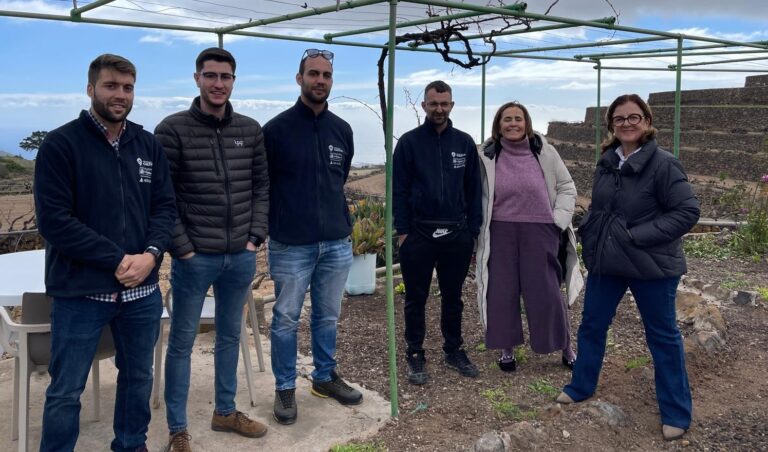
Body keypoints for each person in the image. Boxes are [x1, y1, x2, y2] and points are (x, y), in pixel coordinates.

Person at [34, 54, 176, 452]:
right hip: (80, 294)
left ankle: (131, 446)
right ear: (91, 88)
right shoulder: (61, 145)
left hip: (141, 294)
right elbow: (56, 222)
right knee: (66, 390)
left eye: (127, 87)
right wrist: (116, 259)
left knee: (138, 379)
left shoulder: (147, 144)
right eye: (111, 86)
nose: (120, 95)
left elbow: (165, 208)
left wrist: (150, 254)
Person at [556, 94, 700, 442]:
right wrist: (591, 228)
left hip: (651, 264)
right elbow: (604, 208)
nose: (627, 123)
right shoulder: (607, 162)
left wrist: (636, 235)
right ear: (611, 126)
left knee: (662, 336)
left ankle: (676, 412)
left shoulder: (665, 164)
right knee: (592, 325)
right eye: (619, 119)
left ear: (647, 122)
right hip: (609, 262)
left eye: (634, 117)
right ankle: (581, 386)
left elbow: (686, 212)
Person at [154, 47, 269, 450]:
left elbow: (261, 188)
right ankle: (178, 429)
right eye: (211, 76)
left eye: (226, 77)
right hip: (193, 258)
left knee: (229, 337)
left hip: (240, 255)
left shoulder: (250, 130)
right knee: (182, 342)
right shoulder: (172, 129)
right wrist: (182, 249)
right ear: (197, 78)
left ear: (234, 81)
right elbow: (161, 197)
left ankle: (225, 412)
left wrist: (255, 237)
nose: (218, 84)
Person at [263, 48, 362, 426]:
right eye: (313, 73)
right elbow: (263, 185)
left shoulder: (342, 130)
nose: (320, 80)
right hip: (291, 243)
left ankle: (324, 377)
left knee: (328, 317)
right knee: (286, 317)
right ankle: (285, 386)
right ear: (299, 78)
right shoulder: (276, 130)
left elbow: (339, 178)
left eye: (326, 75)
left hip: (337, 241)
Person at [475, 101, 582, 372]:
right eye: (507, 119)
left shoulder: (546, 153)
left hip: (540, 230)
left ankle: (565, 346)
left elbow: (567, 186)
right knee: (502, 291)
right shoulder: (486, 155)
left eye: (518, 119)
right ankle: (507, 349)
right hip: (500, 231)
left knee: (546, 291)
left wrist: (557, 220)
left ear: (527, 123)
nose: (513, 123)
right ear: (498, 125)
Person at [393, 80, 483, 385]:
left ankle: (453, 349)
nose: (439, 109)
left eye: (444, 104)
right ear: (424, 106)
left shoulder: (465, 143)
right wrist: (403, 231)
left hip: (457, 234)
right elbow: (399, 190)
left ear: (452, 105)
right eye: (433, 104)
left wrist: (473, 229)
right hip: (418, 234)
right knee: (416, 297)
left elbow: (474, 189)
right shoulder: (408, 143)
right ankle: (415, 353)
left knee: (453, 296)